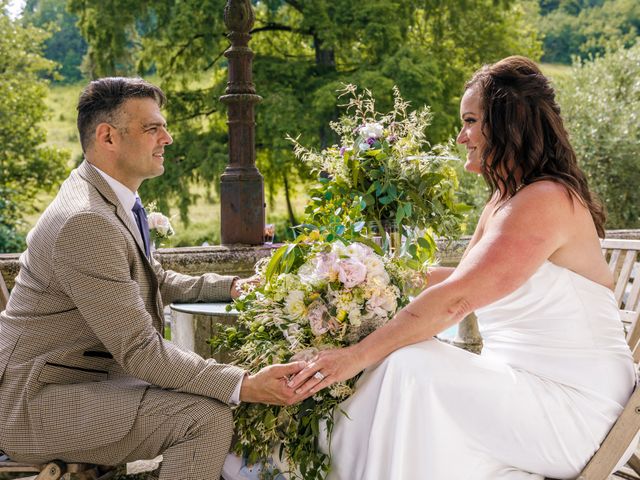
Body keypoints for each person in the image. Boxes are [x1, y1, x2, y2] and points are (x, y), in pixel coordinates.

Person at [288, 56, 636, 479]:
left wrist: (354, 357)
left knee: (409, 366)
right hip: (522, 387)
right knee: (405, 359)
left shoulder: (545, 200)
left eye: (470, 121)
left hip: (578, 410)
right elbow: (456, 280)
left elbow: (458, 299)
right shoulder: (504, 201)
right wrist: (369, 279)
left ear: (507, 123)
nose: (460, 137)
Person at [0, 77, 309, 480]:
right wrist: (248, 384)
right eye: (152, 128)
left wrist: (231, 286)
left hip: (82, 384)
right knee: (205, 417)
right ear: (108, 137)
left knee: (214, 395)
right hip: (35, 406)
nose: (168, 137)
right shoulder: (86, 221)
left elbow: (150, 275)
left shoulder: (106, 196)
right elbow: (141, 352)